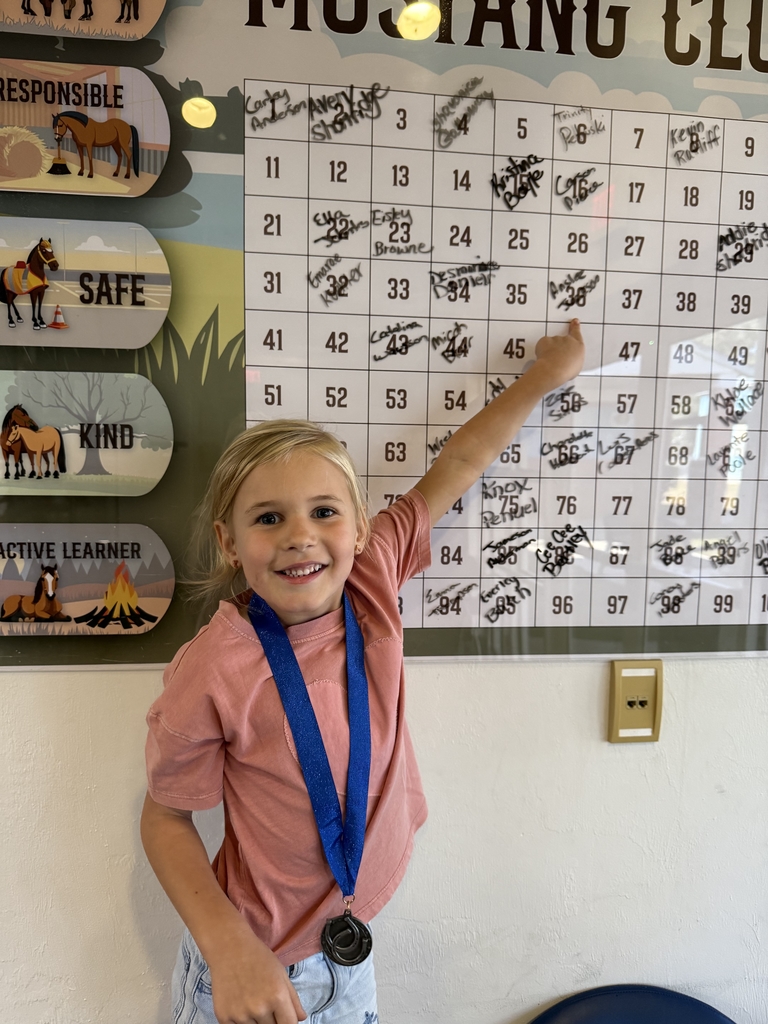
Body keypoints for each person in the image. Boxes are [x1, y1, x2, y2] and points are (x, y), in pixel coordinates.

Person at [140, 318, 585, 1024]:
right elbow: (165, 819)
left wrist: (542, 378)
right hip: (258, 964)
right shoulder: (215, 668)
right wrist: (228, 951)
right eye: (267, 518)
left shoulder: (372, 580)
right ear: (228, 542)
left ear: (357, 526)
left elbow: (460, 464)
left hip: (348, 951)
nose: (300, 536)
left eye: (324, 511)